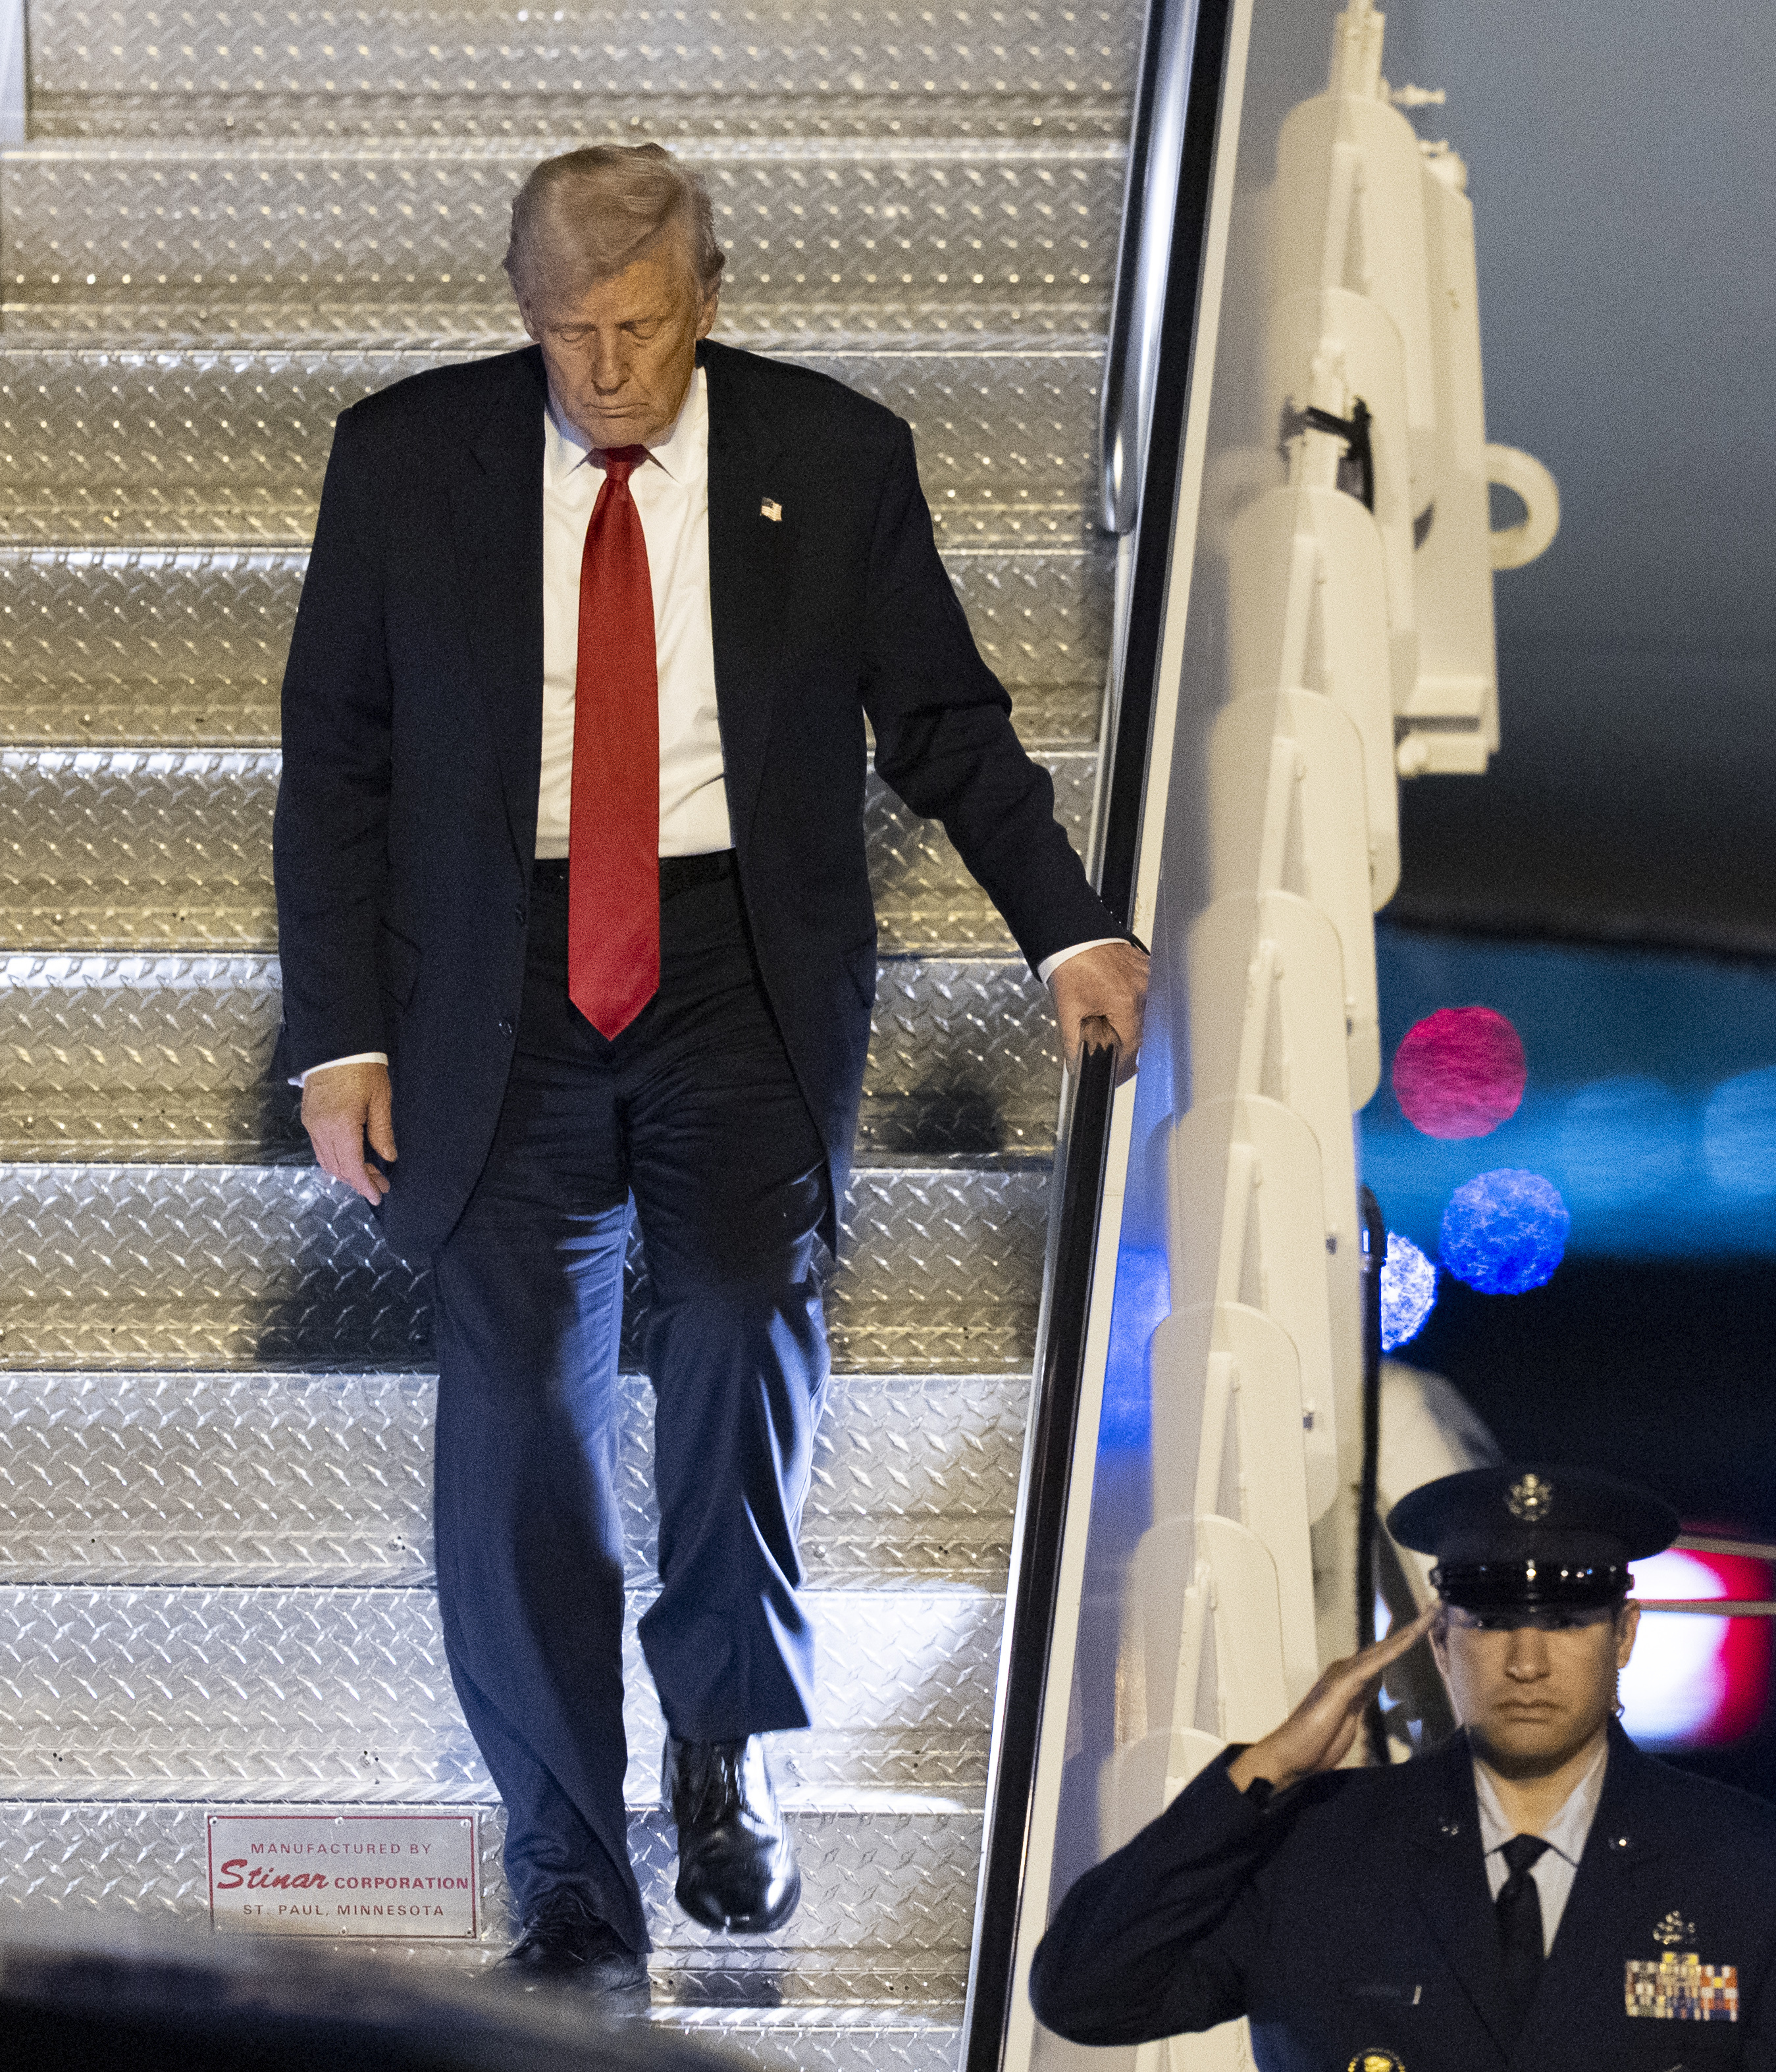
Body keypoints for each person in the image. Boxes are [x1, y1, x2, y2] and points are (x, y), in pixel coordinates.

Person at [270, 142, 1151, 1996]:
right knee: (517, 1406)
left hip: (735, 966)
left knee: (747, 1321)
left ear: (712, 297)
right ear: (521, 318)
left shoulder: (828, 459)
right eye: (569, 333)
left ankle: (723, 1738)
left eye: (640, 330)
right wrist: (340, 1034)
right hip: (490, 981)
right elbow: (334, 755)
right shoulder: (407, 457)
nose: (604, 370)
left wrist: (1067, 925)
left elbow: (943, 721)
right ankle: (571, 1868)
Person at [1034, 1464, 1776, 2070]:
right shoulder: (1316, 1848)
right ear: (1439, 1641)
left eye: (1567, 1623)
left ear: (1625, 1635)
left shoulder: (1755, 1869)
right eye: (1493, 1623)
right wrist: (1264, 1770)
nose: (1527, 1664)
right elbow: (1088, 1993)